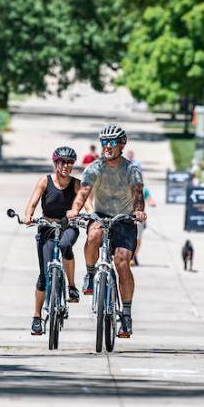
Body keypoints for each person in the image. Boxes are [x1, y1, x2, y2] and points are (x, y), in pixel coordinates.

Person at [66, 124, 146, 338]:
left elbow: (138, 194)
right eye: (104, 142)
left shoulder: (131, 169)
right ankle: (91, 274)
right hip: (101, 215)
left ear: (122, 144)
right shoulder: (95, 167)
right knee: (93, 235)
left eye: (112, 143)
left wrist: (138, 211)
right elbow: (83, 192)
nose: (107, 147)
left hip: (125, 219)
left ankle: (126, 315)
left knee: (122, 262)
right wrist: (74, 209)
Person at [22, 146, 82, 336]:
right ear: (55, 163)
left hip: (68, 226)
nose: (66, 166)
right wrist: (28, 216)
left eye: (70, 162)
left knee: (65, 246)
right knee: (43, 275)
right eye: (62, 162)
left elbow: (87, 204)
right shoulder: (44, 181)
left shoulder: (76, 184)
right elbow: (31, 204)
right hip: (47, 227)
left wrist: (88, 215)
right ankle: (37, 317)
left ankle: (71, 286)